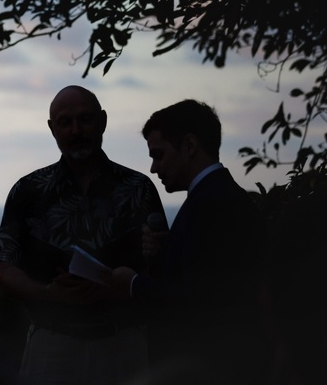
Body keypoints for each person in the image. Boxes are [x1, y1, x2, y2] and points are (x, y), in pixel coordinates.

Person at [0, 85, 164, 385]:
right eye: (65, 122)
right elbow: (6, 273)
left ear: (103, 122)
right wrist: (49, 293)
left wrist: (124, 287)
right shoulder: (27, 191)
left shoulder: (138, 188)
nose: (75, 130)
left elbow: (163, 263)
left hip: (122, 343)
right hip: (52, 345)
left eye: (85, 119)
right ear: (51, 129)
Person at [110, 99, 268, 384]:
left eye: (158, 154)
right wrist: (165, 252)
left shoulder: (210, 205)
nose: (154, 168)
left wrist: (133, 285)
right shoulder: (219, 198)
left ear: (190, 146)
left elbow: (196, 302)